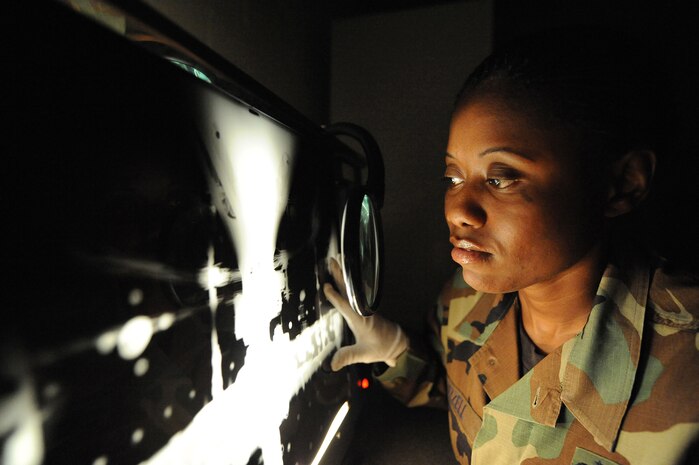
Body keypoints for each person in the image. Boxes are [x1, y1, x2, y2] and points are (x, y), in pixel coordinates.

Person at [323, 28, 699, 465]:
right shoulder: (464, 300)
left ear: (621, 184)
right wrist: (397, 354)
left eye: (501, 178)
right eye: (453, 178)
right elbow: (474, 399)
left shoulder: (687, 373)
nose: (458, 210)